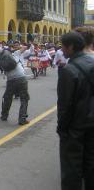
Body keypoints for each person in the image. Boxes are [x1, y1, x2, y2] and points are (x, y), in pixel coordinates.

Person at [57, 32, 94, 189]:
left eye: (63, 46)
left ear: (71, 47)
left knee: (71, 168)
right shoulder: (91, 62)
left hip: (76, 126)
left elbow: (65, 105)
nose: (62, 50)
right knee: (91, 163)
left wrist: (62, 128)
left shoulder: (69, 70)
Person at [0, 43, 32, 125]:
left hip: (10, 80)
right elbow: (25, 47)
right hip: (21, 78)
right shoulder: (15, 54)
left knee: (7, 98)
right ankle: (22, 119)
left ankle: (4, 115)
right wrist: (18, 47)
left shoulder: (1, 61)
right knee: (24, 98)